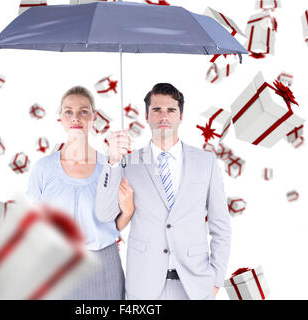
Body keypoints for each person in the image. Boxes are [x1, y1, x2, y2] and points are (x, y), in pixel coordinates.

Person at [95, 83, 231, 300]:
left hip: (194, 286)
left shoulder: (206, 162)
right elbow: (103, 215)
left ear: (181, 116)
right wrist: (112, 161)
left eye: (171, 110)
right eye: (156, 110)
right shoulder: (129, 162)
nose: (164, 116)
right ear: (147, 116)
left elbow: (221, 226)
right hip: (144, 286)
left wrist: (215, 281)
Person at [26, 86, 134, 299]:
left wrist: (128, 212)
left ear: (93, 117)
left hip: (104, 265)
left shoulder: (110, 166)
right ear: (61, 118)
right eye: (69, 112)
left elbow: (113, 223)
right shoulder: (43, 168)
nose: (76, 117)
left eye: (83, 111)